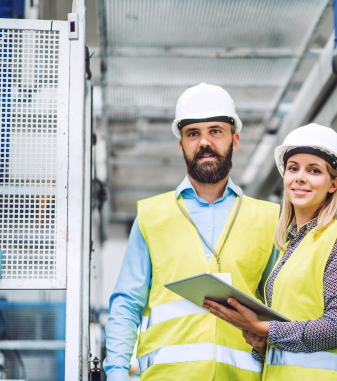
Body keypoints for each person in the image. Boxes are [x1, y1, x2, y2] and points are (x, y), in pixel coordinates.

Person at [103, 83, 280, 381]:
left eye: (215, 131)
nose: (204, 142)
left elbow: (282, 311)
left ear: (234, 141)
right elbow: (127, 305)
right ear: (181, 144)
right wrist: (117, 375)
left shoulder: (269, 218)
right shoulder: (151, 216)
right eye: (193, 133)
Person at [203, 123, 337, 380]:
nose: (300, 177)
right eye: (293, 168)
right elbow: (291, 333)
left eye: (314, 170)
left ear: (333, 184)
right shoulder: (292, 245)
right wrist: (262, 343)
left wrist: (264, 328)